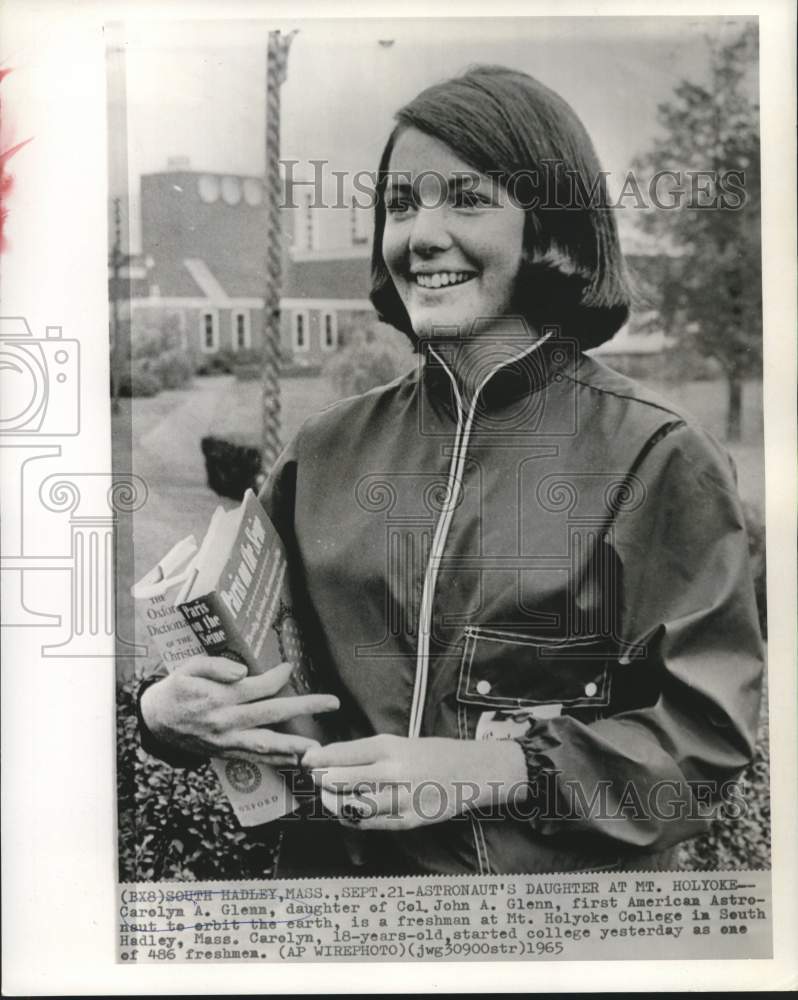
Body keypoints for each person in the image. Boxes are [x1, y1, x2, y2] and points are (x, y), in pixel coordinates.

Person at [138, 65, 764, 877]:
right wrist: (164, 714)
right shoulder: (326, 450)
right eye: (400, 205)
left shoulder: (658, 454)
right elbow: (245, 662)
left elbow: (702, 739)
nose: (420, 235)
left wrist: (492, 770)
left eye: (467, 199)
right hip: (339, 923)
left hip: (548, 944)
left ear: (549, 230)